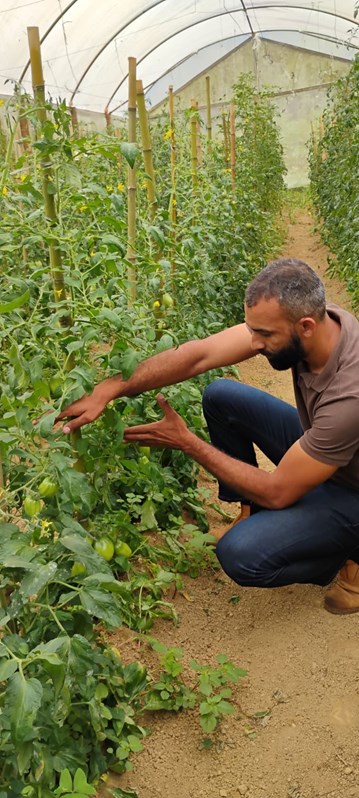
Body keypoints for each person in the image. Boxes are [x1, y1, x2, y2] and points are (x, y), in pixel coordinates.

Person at [57, 259, 359, 614]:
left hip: (351, 488)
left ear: (305, 326)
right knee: (221, 396)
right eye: (253, 330)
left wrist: (187, 442)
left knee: (240, 553)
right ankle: (253, 510)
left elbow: (278, 492)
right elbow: (197, 356)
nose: (254, 343)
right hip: (333, 456)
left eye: (265, 335)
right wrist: (110, 388)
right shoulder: (318, 322)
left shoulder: (349, 397)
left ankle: (345, 552)